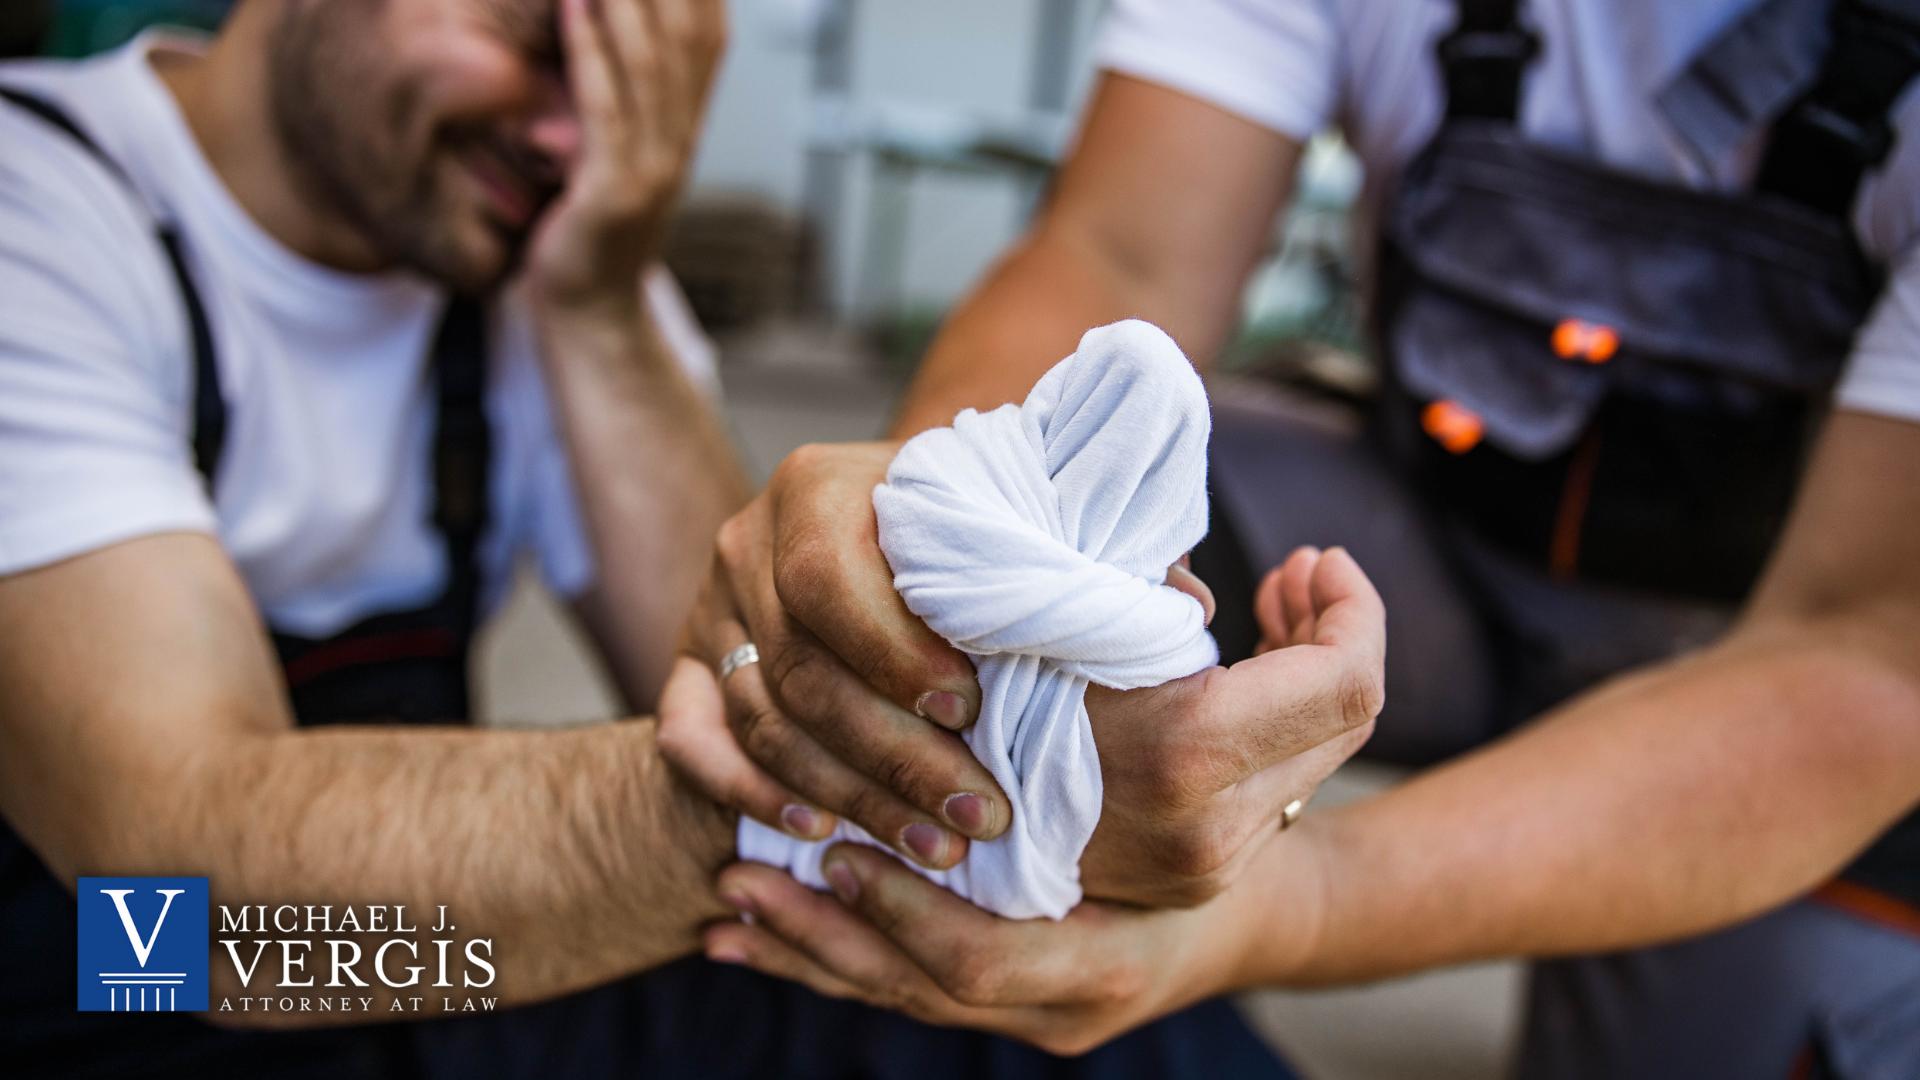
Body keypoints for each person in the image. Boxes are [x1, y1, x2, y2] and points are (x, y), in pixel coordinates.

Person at [0, 2, 1383, 1076]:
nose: (571, 137)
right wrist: (816, 802)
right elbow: (170, 908)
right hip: (111, 986)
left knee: (983, 1006)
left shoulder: (540, 245)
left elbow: (748, 658)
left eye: (641, 79)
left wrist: (598, 308)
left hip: (418, 975)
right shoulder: (41, 216)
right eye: (539, 41)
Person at [665, 0, 1920, 1076]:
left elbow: (1869, 647)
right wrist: (933, 540)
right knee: (1016, 750)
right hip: (1419, 549)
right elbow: (1119, 249)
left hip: (1776, 646)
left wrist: (1294, 901)